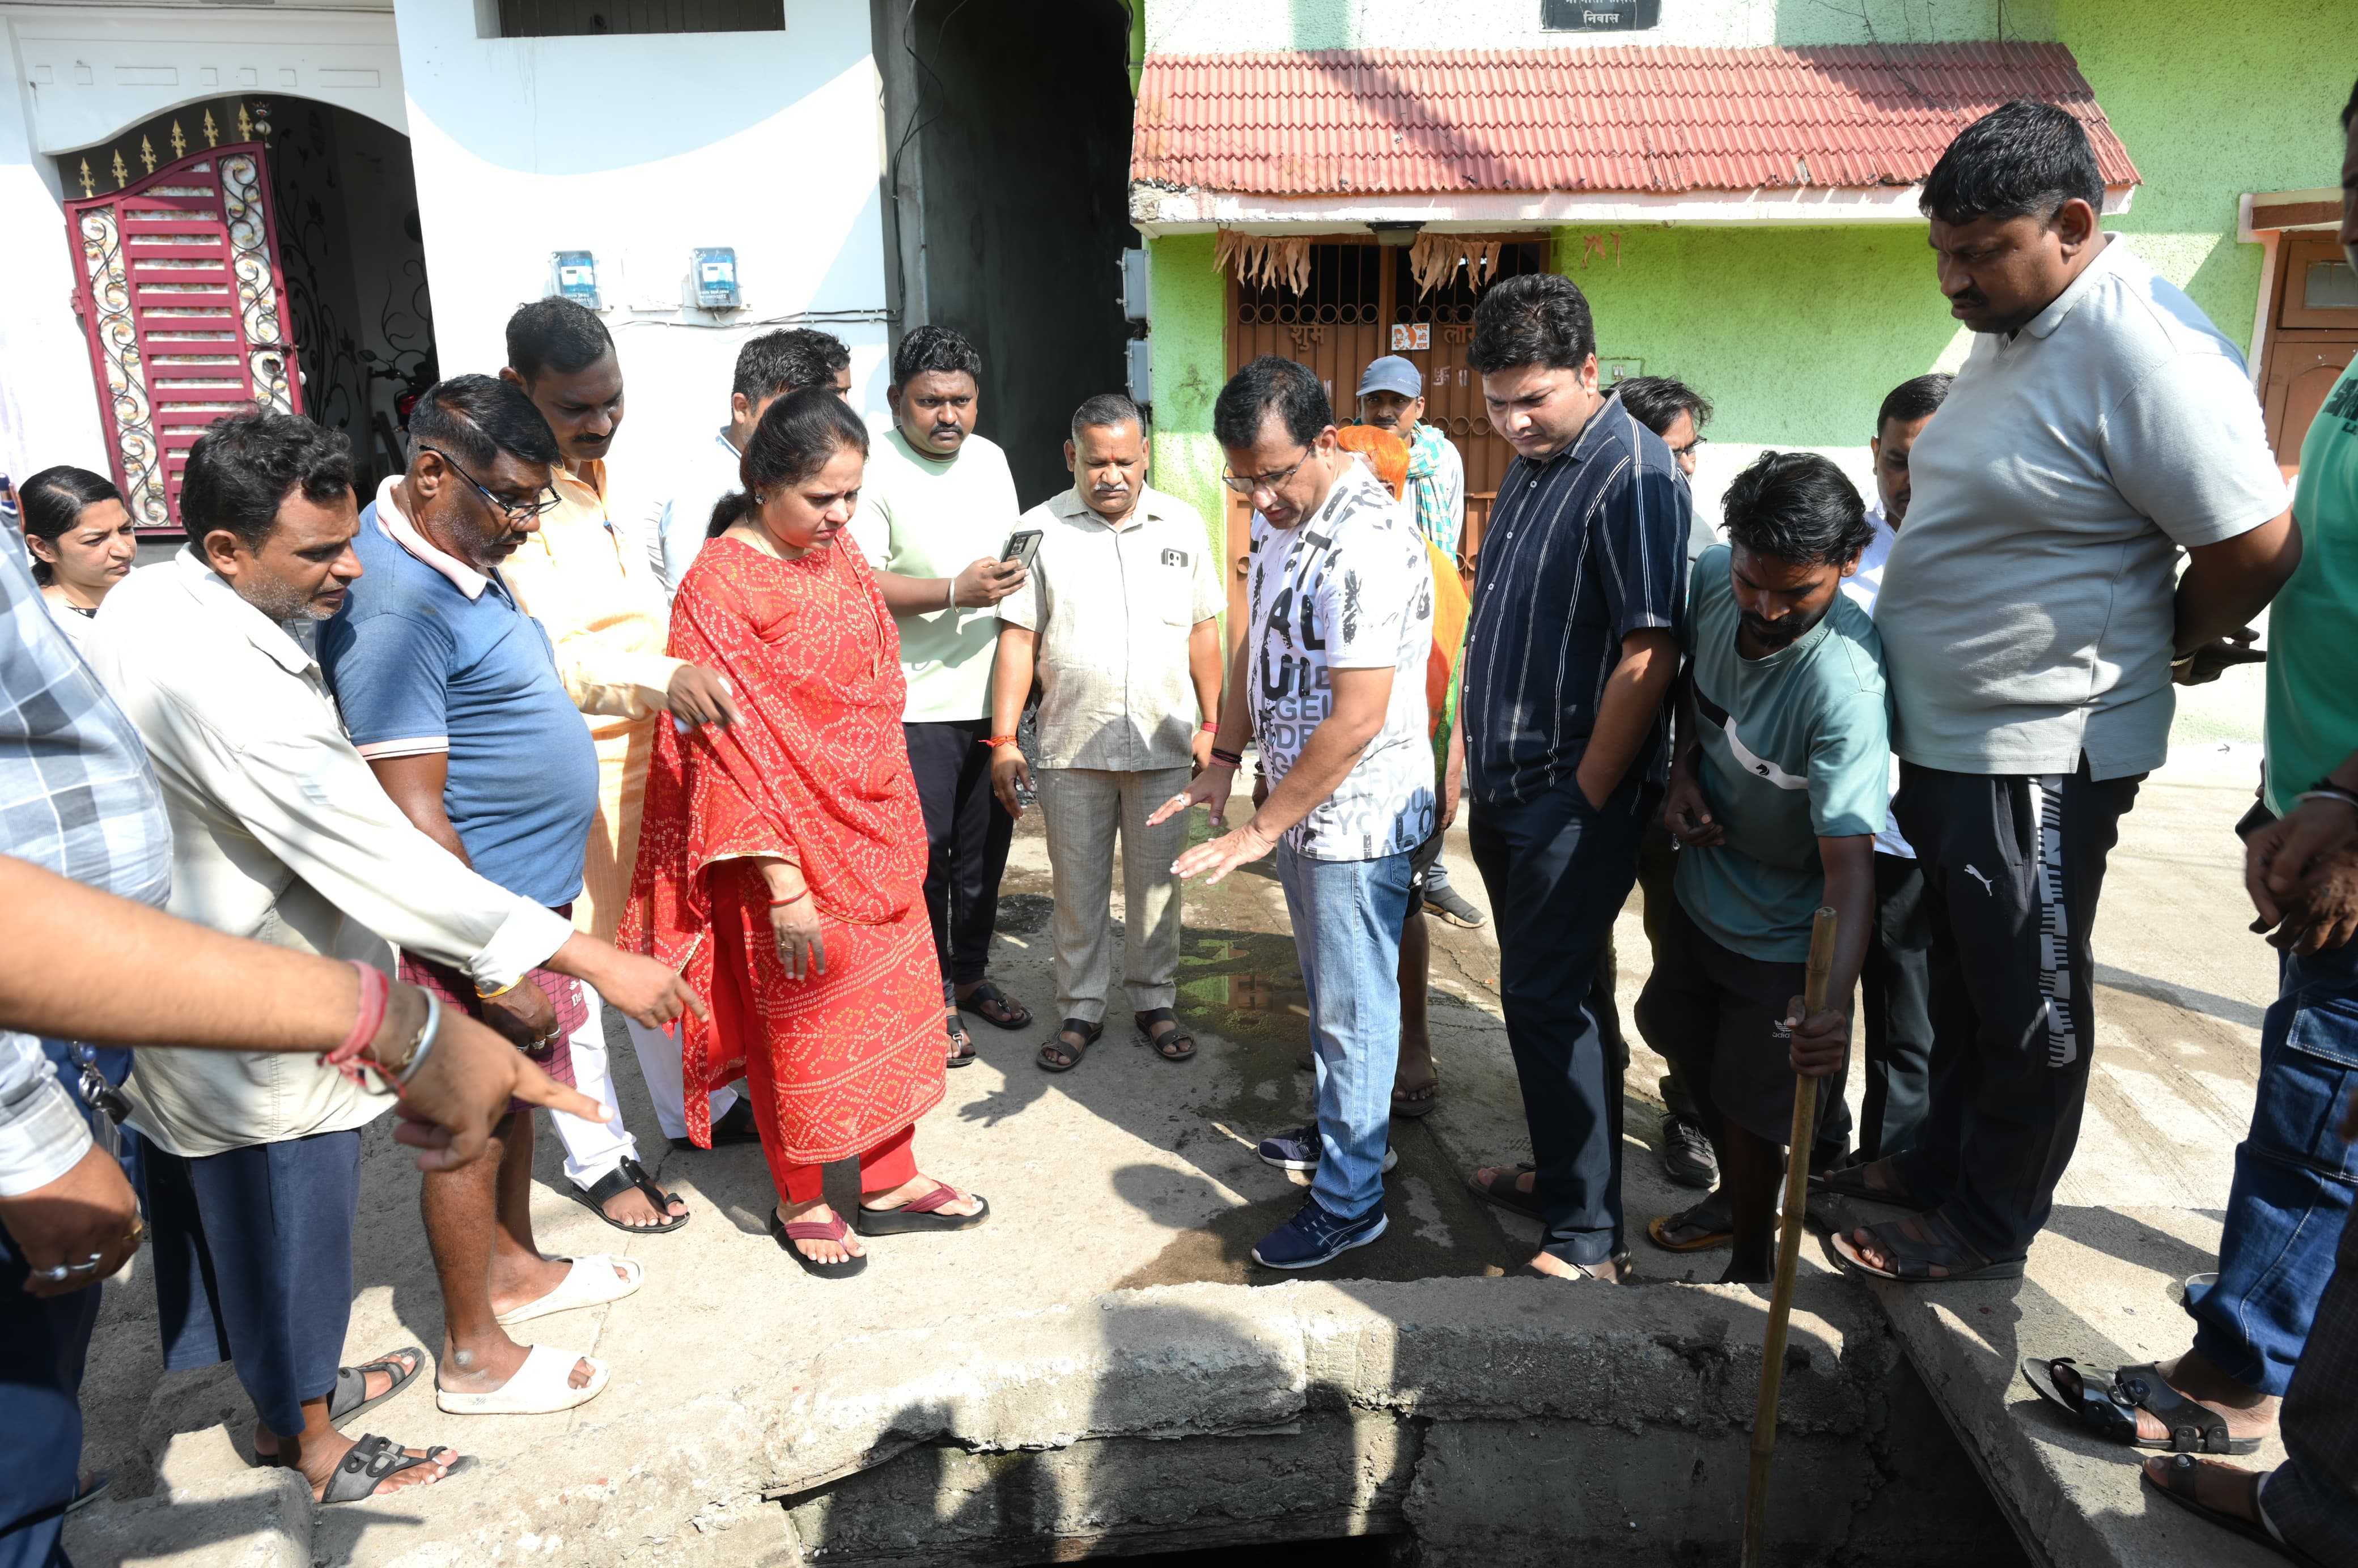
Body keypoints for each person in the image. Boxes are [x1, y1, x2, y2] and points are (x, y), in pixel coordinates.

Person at [87, 409, 703, 1499]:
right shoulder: (221, 678)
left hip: (250, 970)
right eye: (319, 554)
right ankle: (310, 1443)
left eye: (347, 541)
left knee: (278, 1225)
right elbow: (378, 847)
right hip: (256, 996)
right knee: (285, 1221)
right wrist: (592, 961)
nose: (350, 570)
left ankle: (299, 1390)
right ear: (226, 548)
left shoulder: (169, 599)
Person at [1830, 99, 2300, 1281]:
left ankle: (1988, 1224)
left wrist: (2168, 641)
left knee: (2028, 1000)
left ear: (2075, 225)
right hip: (1956, 739)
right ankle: (1938, 1165)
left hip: (2040, 745)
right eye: (1941, 251)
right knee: (1964, 979)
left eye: (1981, 252)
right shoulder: (2023, 323)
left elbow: (2255, 546)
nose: (1953, 279)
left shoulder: (2145, 351)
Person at [2016, 79, 2358, 1464]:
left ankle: (2235, 1380)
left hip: (2348, 816)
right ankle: (2265, 1339)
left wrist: (2347, 805)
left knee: (2317, 1110)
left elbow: (2250, 539)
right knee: (2308, 1086)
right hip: (2315, 801)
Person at [319, 375, 643, 1416]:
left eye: (535, 499)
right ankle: (472, 1353)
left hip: (527, 910)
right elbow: (414, 815)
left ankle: (516, 1267)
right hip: (469, 924)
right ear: (431, 473)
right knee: (468, 1125)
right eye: (510, 498)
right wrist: (494, 965)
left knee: (520, 1094)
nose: (525, 521)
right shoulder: (394, 606)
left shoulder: (461, 551)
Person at [622, 388, 984, 1278]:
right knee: (803, 1032)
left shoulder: (837, 550)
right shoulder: (718, 584)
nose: (842, 514)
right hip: (782, 851)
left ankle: (890, 1179)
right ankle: (802, 1196)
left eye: (852, 494)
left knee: (893, 1006)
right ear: (762, 481)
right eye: (822, 497)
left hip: (873, 823)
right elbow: (724, 749)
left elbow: (872, 673)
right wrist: (784, 884)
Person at [1152, 355, 1433, 1270]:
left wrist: (1259, 827)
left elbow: (1356, 719)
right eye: (1244, 480)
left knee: (1356, 1008)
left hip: (1355, 818)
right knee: (1330, 992)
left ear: (1325, 440)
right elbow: (1254, 644)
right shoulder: (1286, 521)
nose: (1261, 498)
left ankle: (1352, 1201)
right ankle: (1353, 1133)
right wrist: (1222, 760)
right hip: (1301, 808)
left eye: (1274, 474)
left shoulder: (1366, 542)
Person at [1455, 274, 1690, 1284]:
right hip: (1509, 784)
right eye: (1497, 402)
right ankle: (1566, 1180)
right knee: (1559, 993)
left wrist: (1584, 796)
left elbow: (1650, 650)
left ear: (1590, 371)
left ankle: (1589, 1238)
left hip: (1572, 793)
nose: (1514, 422)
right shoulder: (1534, 464)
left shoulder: (1635, 475)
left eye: (1534, 398)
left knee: (1548, 998)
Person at [499, 298, 747, 1222]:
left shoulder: (597, 475)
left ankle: (695, 1106)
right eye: (576, 407)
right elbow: (553, 655)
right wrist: (663, 676)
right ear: (520, 388)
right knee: (579, 968)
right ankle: (598, 1154)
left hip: (653, 749)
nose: (601, 421)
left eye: (613, 401)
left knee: (659, 941)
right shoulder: (511, 495)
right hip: (572, 766)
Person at [1638, 452, 1884, 1281]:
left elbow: (1851, 872)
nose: (1767, 610)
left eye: (1796, 593)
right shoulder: (1714, 577)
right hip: (1703, 889)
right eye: (1753, 583)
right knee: (1675, 1030)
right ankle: (1738, 1199)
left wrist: (1828, 1007)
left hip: (1784, 932)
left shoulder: (1846, 690)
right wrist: (1681, 772)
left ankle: (1751, 1262)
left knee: (1754, 1106)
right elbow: (1691, 691)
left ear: (1849, 562)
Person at [987, 394, 1224, 1072]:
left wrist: (1213, 726)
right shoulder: (1035, 530)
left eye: (1124, 460)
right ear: (1071, 456)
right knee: (1077, 888)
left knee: (1157, 889)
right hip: (1070, 745)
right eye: (1096, 462)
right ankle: (1081, 1008)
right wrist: (1003, 740)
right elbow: (1017, 639)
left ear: (1145, 454)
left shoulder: (1181, 524)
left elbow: (1203, 631)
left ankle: (1153, 1000)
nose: (1111, 475)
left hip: (1163, 744)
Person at [846, 325, 1031, 1062]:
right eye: (930, 401)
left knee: (984, 854)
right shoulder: (871, 467)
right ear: (898, 399)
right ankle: (932, 994)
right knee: (923, 856)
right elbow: (860, 582)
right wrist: (955, 590)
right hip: (912, 705)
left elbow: (1012, 560)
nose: (948, 415)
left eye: (962, 400)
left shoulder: (991, 459)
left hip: (993, 698)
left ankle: (973, 974)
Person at [1823, 372, 1951, 1168]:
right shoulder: (1838, 555)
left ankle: (1887, 1173)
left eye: (1935, 463)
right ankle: (1816, 1157)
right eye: (1899, 461)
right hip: (1831, 831)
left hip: (1918, 841)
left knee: (1910, 1028)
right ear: (1875, 451)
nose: (1912, 482)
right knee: (1816, 1007)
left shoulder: (1985, 557)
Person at [1600, 374, 1721, 1191]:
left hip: (1676, 791)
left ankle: (1691, 1110)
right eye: (1669, 454)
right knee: (1582, 944)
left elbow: (1709, 684)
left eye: (1689, 451)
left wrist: (1685, 771)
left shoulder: (1704, 552)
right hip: (1594, 780)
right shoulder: (1588, 521)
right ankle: (1594, 1085)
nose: (1683, 469)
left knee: (1682, 956)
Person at [1332, 424, 1472, 1123]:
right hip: (1323, 779)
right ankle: (1340, 1035)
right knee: (1331, 918)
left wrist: (1450, 771)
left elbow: (1456, 683)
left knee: (1401, 906)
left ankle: (1412, 1039)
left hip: (1399, 777)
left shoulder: (1431, 566)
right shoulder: (1309, 549)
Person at [1356, 358, 1483, 936]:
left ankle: (1429, 876)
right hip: (1368, 607)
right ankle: (1378, 863)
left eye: (1397, 402)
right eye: (1375, 400)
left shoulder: (1442, 458)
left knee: (1433, 737)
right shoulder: (1348, 455)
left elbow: (1444, 533)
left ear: (1418, 407)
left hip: (1431, 603)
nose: (1385, 411)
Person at [642, 327, 853, 593]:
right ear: (742, 408)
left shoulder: (811, 474)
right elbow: (694, 602)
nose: (802, 429)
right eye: (786, 413)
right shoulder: (700, 494)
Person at [18, 466, 135, 650]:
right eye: (95, 540)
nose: (123, 550)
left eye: (126, 529)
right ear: (43, 548)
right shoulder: (32, 630)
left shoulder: (156, 588)